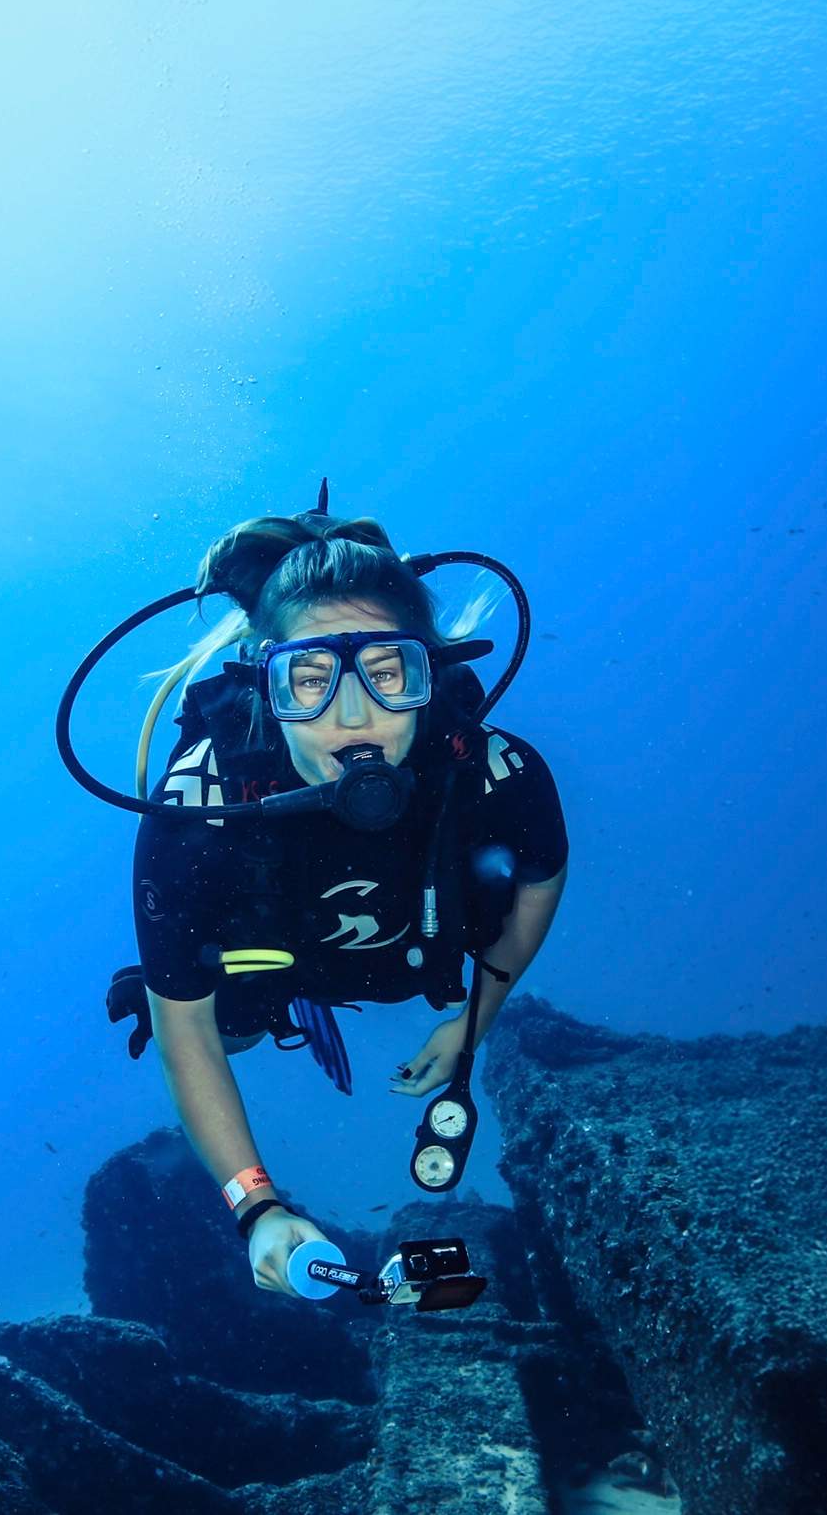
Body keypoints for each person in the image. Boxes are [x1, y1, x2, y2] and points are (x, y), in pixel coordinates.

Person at [112, 502, 567, 1296]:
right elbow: (184, 1028)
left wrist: (472, 1024)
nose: (353, 718)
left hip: (422, 947)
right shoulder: (195, 812)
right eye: (311, 680)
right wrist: (258, 1208)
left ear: (429, 669)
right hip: (275, 962)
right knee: (207, 1014)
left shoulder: (499, 772)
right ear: (266, 680)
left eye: (388, 674)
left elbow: (540, 882)